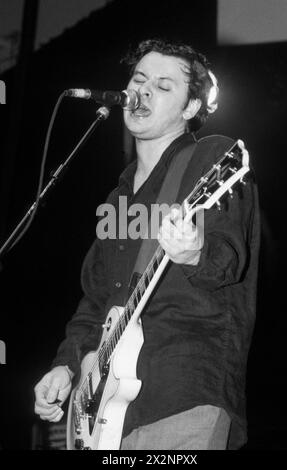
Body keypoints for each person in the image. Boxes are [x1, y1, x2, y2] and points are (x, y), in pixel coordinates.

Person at [34, 38, 260, 450]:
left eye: (163, 85)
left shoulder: (212, 156)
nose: (143, 90)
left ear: (191, 108)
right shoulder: (116, 199)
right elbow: (96, 299)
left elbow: (230, 257)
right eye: (139, 80)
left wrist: (194, 252)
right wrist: (67, 366)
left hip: (183, 389)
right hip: (107, 411)